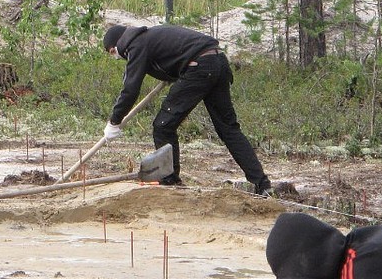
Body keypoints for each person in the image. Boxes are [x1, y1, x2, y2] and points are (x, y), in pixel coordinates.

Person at [102, 23, 272, 195]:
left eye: (112, 52)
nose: (116, 56)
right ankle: (262, 184)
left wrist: (114, 121)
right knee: (228, 128)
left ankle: (170, 181)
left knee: (163, 126)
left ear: (115, 46)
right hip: (218, 60)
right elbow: (175, 53)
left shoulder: (135, 44)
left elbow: (130, 88)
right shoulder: (149, 36)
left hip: (199, 67)